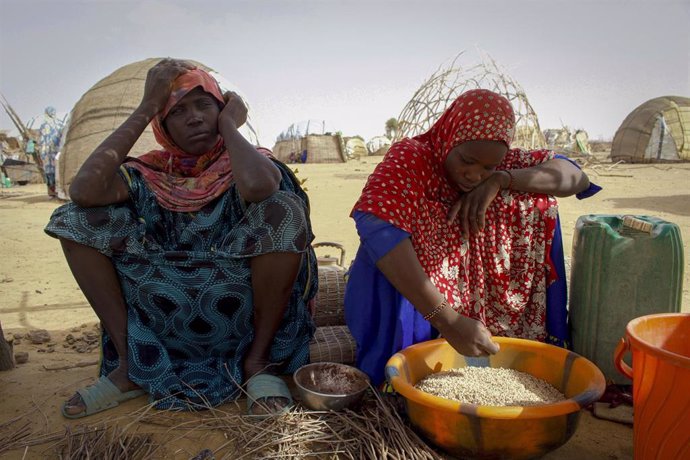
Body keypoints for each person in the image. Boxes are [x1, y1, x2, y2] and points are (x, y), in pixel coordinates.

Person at [45, 59, 318, 418]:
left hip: (241, 304)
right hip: (163, 304)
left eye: (205, 105)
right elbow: (83, 191)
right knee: (74, 220)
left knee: (283, 209)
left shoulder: (247, 162)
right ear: (162, 125)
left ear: (222, 110)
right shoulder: (148, 172)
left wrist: (229, 128)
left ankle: (257, 363)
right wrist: (146, 106)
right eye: (177, 111)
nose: (194, 118)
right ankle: (130, 365)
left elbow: (259, 186)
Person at [344, 89, 601, 386]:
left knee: (535, 196)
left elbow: (575, 178)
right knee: (406, 381)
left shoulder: (503, 166)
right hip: (411, 295)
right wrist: (446, 319)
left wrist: (501, 180)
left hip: (470, 294)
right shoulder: (412, 158)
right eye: (467, 160)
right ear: (451, 136)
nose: (473, 174)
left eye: (487, 167)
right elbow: (377, 225)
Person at [38, 106, 64, 197]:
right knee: (58, 171)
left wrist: (42, 152)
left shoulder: (44, 125)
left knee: (49, 173)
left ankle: (52, 192)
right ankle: (59, 192)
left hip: (47, 154)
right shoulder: (60, 124)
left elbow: (41, 140)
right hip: (58, 153)